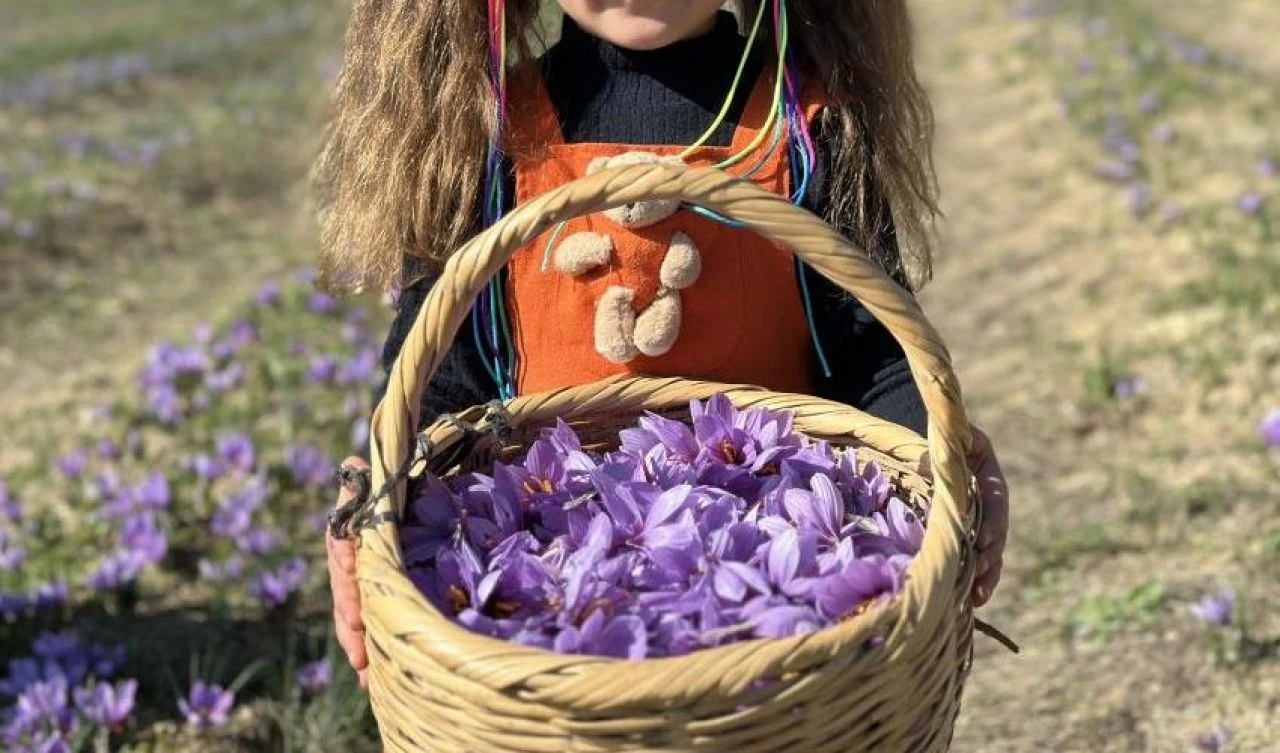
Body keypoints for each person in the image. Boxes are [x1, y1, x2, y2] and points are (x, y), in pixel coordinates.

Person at [316, 0, 1009, 688]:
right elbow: (439, 383)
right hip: (554, 618)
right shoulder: (487, 138)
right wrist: (378, 493)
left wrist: (935, 456)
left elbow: (874, 356)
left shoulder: (802, 125)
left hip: (774, 615)